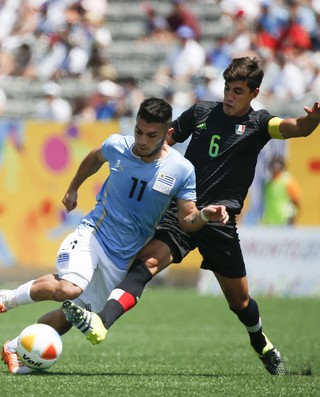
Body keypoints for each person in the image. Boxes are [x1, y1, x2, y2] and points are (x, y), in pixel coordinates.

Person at [62, 57, 320, 376]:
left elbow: (297, 128)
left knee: (240, 303)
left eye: (237, 91)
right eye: (227, 88)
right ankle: (101, 322)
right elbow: (162, 143)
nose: (229, 96)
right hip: (183, 210)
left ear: (254, 93)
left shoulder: (260, 123)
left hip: (219, 222)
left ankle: (261, 343)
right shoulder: (200, 113)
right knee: (146, 265)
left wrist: (313, 120)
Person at [0, 97, 228, 374]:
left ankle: (14, 346)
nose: (142, 140)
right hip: (93, 234)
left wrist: (205, 215)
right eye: (139, 131)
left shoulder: (181, 170)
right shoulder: (117, 146)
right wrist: (73, 188)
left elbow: (187, 220)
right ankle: (6, 299)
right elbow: (95, 157)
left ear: (168, 134)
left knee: (68, 317)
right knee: (69, 288)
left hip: (123, 258)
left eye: (151, 135)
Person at [261, 155, 300, 225]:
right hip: (270, 221)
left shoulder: (288, 181)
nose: (275, 170)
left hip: (285, 220)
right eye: (273, 167)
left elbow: (296, 201)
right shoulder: (267, 183)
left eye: (277, 167)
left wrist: (293, 219)